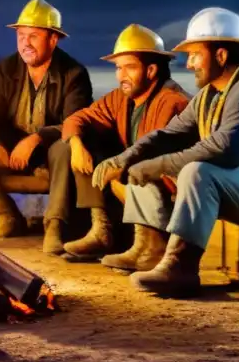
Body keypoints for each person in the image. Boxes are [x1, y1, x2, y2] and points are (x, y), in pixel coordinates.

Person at [92, 7, 239, 297]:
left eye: (195, 54)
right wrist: (124, 159)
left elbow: (224, 151)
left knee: (198, 170)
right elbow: (167, 135)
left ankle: (180, 267)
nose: (189, 64)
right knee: (174, 165)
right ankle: (153, 249)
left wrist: (156, 166)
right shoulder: (210, 95)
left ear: (221, 56)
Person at [59, 24, 190, 266]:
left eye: (129, 67)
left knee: (140, 168)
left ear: (151, 70)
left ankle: (149, 245)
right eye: (118, 68)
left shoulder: (173, 102)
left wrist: (120, 168)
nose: (121, 76)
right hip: (133, 183)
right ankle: (103, 231)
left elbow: (154, 154)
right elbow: (78, 118)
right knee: (85, 137)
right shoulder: (121, 98)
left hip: (168, 191)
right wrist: (77, 144)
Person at [0, 0, 93, 251]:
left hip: (49, 151)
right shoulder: (6, 69)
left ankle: (55, 225)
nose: (25, 43)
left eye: (34, 36)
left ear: (53, 39)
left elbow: (74, 122)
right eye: (21, 36)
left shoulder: (74, 74)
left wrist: (36, 138)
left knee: (64, 148)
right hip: (11, 150)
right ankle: (4, 215)